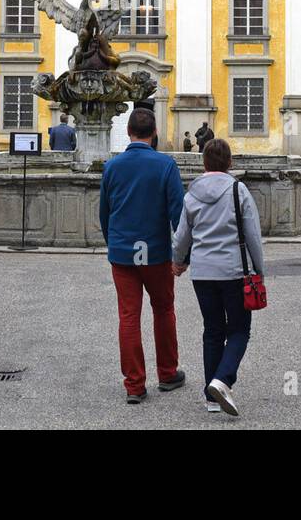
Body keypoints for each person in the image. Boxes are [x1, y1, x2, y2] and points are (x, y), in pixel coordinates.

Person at [98, 107, 187, 404]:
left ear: (128, 132)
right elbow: (178, 213)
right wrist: (181, 256)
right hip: (156, 253)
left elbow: (104, 213)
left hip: (123, 253)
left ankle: (134, 385)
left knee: (128, 316)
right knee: (163, 309)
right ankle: (167, 373)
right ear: (155, 133)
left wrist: (115, 245)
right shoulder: (165, 165)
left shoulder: (112, 166)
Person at [173, 138, 266, 417]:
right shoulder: (238, 190)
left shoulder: (191, 194)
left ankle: (212, 399)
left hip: (203, 273)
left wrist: (178, 262)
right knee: (239, 330)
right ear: (229, 163)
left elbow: (181, 236)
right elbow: (252, 235)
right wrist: (259, 269)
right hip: (234, 271)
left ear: (204, 162)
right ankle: (222, 380)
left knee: (213, 330)